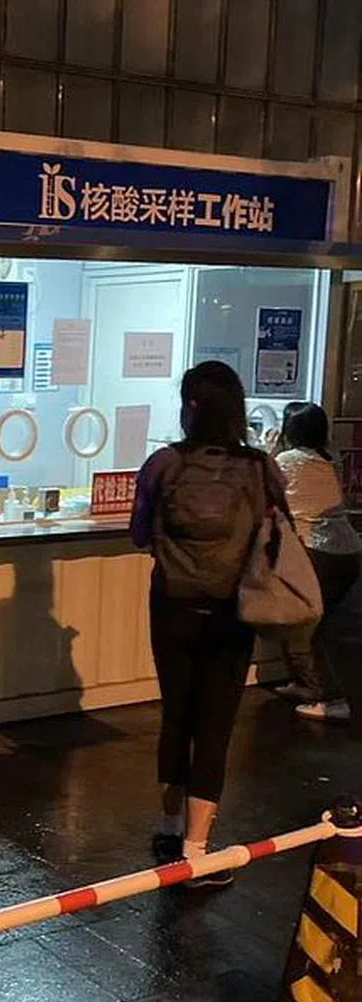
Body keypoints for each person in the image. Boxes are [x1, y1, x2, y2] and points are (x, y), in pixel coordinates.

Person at [131, 361, 287, 888]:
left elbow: (139, 533)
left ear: (189, 408)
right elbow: (280, 535)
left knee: (176, 714)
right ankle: (196, 850)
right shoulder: (260, 469)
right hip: (232, 613)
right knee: (215, 725)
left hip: (171, 606)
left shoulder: (164, 464)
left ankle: (167, 825)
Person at [273, 402, 361, 723]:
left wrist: (273, 448)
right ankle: (308, 684)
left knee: (306, 626)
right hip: (348, 551)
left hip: (317, 552)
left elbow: (270, 488)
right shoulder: (329, 459)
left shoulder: (286, 461)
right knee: (317, 623)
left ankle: (332, 697)